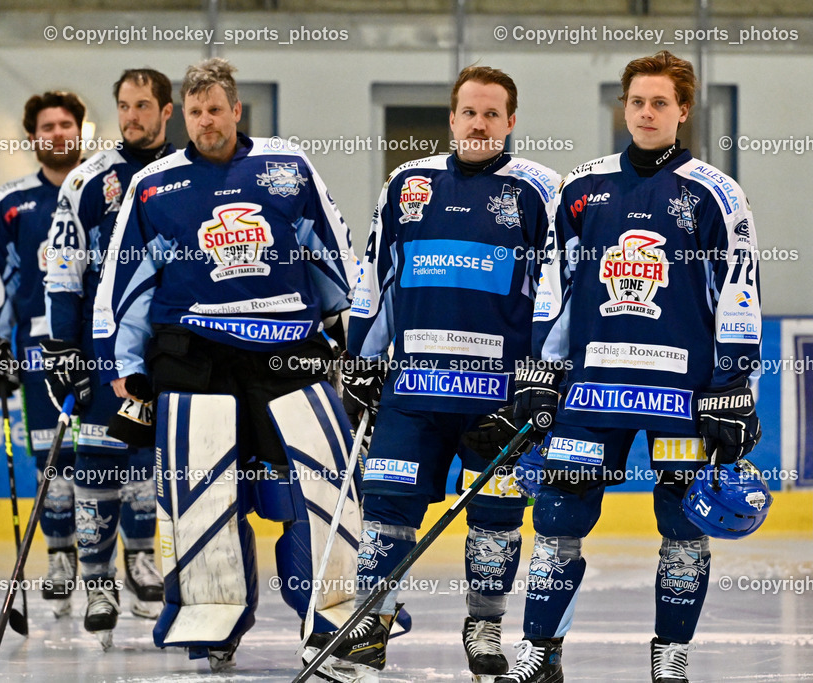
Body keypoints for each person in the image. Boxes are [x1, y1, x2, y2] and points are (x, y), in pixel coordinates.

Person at [499, 51, 762, 683]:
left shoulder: (716, 193)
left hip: (684, 395)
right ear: (624, 107)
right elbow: (553, 288)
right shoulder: (582, 188)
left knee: (682, 521)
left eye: (660, 103)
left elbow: (740, 292)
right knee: (558, 515)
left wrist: (735, 387)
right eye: (637, 102)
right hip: (594, 391)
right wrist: (542, 370)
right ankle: (542, 652)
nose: (647, 113)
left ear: (683, 110)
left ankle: (670, 656)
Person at [92, 57, 361, 672]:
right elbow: (127, 280)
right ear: (181, 116)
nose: (206, 121)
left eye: (216, 109)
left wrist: (353, 326)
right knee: (201, 497)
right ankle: (210, 621)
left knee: (325, 482)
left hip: (286, 351)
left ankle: (337, 614)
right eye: (195, 112)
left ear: (237, 110)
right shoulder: (155, 185)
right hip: (193, 360)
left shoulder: (287, 166)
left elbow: (331, 248)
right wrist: (124, 360)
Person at [306, 66, 561, 683]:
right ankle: (371, 622)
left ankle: (485, 625)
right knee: (388, 510)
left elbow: (555, 291)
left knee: (497, 515)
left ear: (511, 122)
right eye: (469, 112)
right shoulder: (407, 183)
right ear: (451, 119)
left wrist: (538, 378)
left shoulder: (541, 190)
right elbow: (378, 275)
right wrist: (363, 358)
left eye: (492, 114)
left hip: (497, 392)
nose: (479, 123)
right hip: (414, 388)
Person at [42, 69, 175, 649]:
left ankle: (144, 562)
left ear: (166, 111)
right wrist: (62, 347)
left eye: (143, 106)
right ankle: (97, 580)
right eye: (123, 106)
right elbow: (64, 272)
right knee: (96, 467)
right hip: (102, 354)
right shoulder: (88, 179)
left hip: (170, 351)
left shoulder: (185, 175)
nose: (131, 117)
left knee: (150, 467)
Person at [0, 91, 85, 616]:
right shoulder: (12, 200)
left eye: (67, 123)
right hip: (39, 346)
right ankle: (61, 555)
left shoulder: (108, 188)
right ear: (32, 135)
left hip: (100, 345)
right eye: (48, 125)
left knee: (117, 456)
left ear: (81, 129)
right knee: (51, 457)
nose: (59, 133)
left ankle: (128, 560)